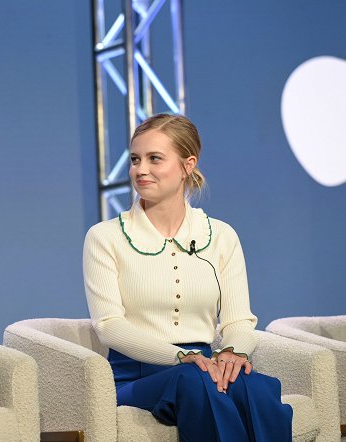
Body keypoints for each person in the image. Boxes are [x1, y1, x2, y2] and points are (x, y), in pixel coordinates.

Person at [83, 114, 292, 441]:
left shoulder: (221, 236)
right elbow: (109, 326)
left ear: (187, 165)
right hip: (137, 376)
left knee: (254, 387)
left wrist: (232, 353)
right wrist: (181, 357)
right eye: (135, 159)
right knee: (193, 381)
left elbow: (239, 320)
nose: (140, 170)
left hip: (204, 369)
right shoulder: (105, 237)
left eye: (154, 159)